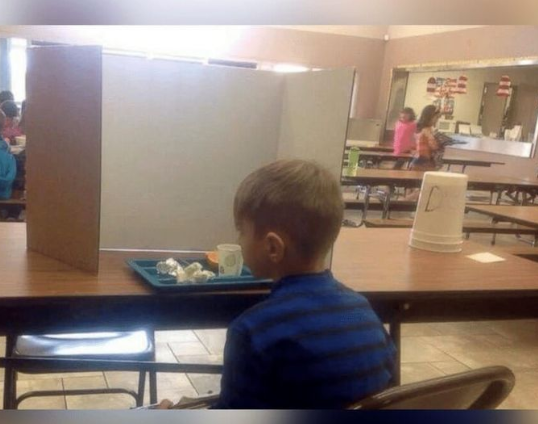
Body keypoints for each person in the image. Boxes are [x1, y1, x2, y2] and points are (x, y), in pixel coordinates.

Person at [159, 160, 396, 409]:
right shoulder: (363, 311)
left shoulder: (253, 330)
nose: (238, 240)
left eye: (241, 231)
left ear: (272, 247)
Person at [409, 105, 442, 171]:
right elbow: (434, 146)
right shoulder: (426, 130)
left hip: (417, 159)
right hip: (424, 162)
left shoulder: (419, 128)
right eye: (436, 117)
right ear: (430, 117)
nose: (437, 120)